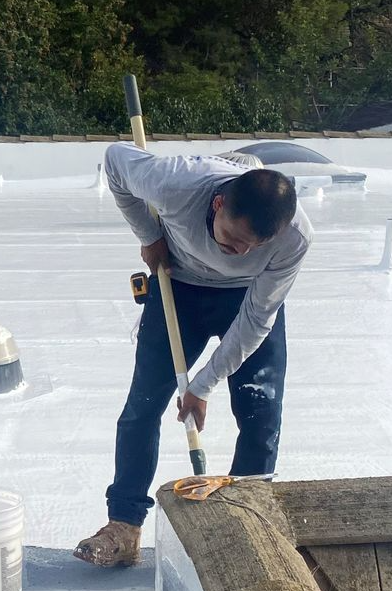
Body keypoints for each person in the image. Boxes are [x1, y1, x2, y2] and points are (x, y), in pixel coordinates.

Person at [74, 144, 311, 569]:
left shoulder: (294, 237)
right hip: (177, 285)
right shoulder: (176, 181)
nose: (235, 252)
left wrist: (203, 385)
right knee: (142, 407)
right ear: (217, 204)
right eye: (231, 238)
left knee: (260, 414)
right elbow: (114, 160)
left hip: (246, 299)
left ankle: (248, 531)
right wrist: (149, 235)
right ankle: (123, 527)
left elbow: (257, 320)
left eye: (251, 246)